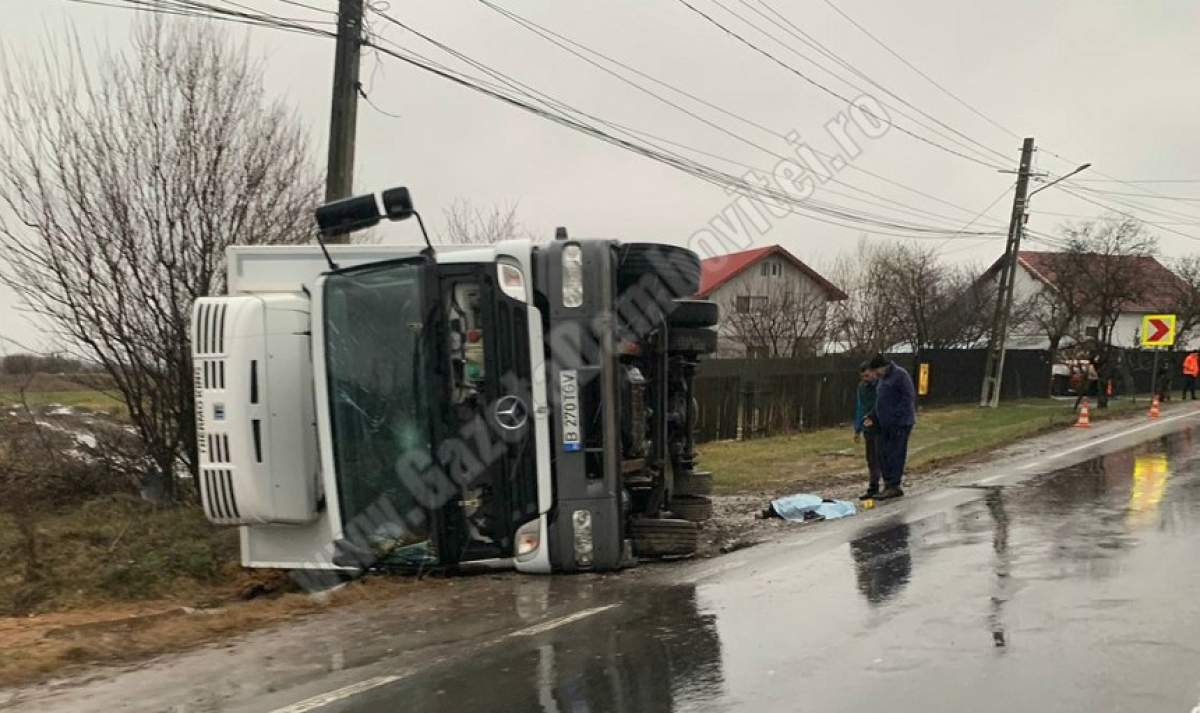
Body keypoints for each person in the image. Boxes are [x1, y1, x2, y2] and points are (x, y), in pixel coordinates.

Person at [863, 354, 916, 499]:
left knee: (896, 453)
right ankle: (887, 484)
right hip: (883, 424)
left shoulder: (900, 375)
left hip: (900, 423)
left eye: (876, 371)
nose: (876, 374)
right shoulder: (883, 379)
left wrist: (896, 417)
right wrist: (872, 415)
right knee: (882, 454)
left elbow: (908, 399)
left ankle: (894, 485)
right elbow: (880, 401)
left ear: (884, 366)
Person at [853, 362, 883, 500]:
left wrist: (873, 416)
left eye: (867, 375)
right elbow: (860, 407)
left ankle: (889, 484)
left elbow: (881, 403)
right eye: (862, 376)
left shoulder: (880, 385)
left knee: (880, 456)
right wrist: (857, 428)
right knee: (871, 458)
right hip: (867, 425)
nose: (865, 379)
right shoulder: (861, 388)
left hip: (880, 424)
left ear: (873, 372)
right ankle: (873, 487)